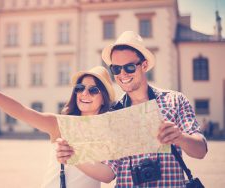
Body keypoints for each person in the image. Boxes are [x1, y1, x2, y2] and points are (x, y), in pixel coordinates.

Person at [56, 31, 208, 187]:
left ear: (144, 65)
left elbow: (201, 150)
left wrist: (179, 137)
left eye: (129, 67)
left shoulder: (175, 100)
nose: (122, 74)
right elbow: (108, 174)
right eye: (116, 69)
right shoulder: (112, 114)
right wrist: (74, 155)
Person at [0, 66, 116, 188]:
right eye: (80, 88)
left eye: (93, 90)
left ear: (104, 98)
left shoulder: (107, 131)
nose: (84, 94)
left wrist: (74, 156)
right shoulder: (61, 124)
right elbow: (21, 111)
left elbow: (108, 176)